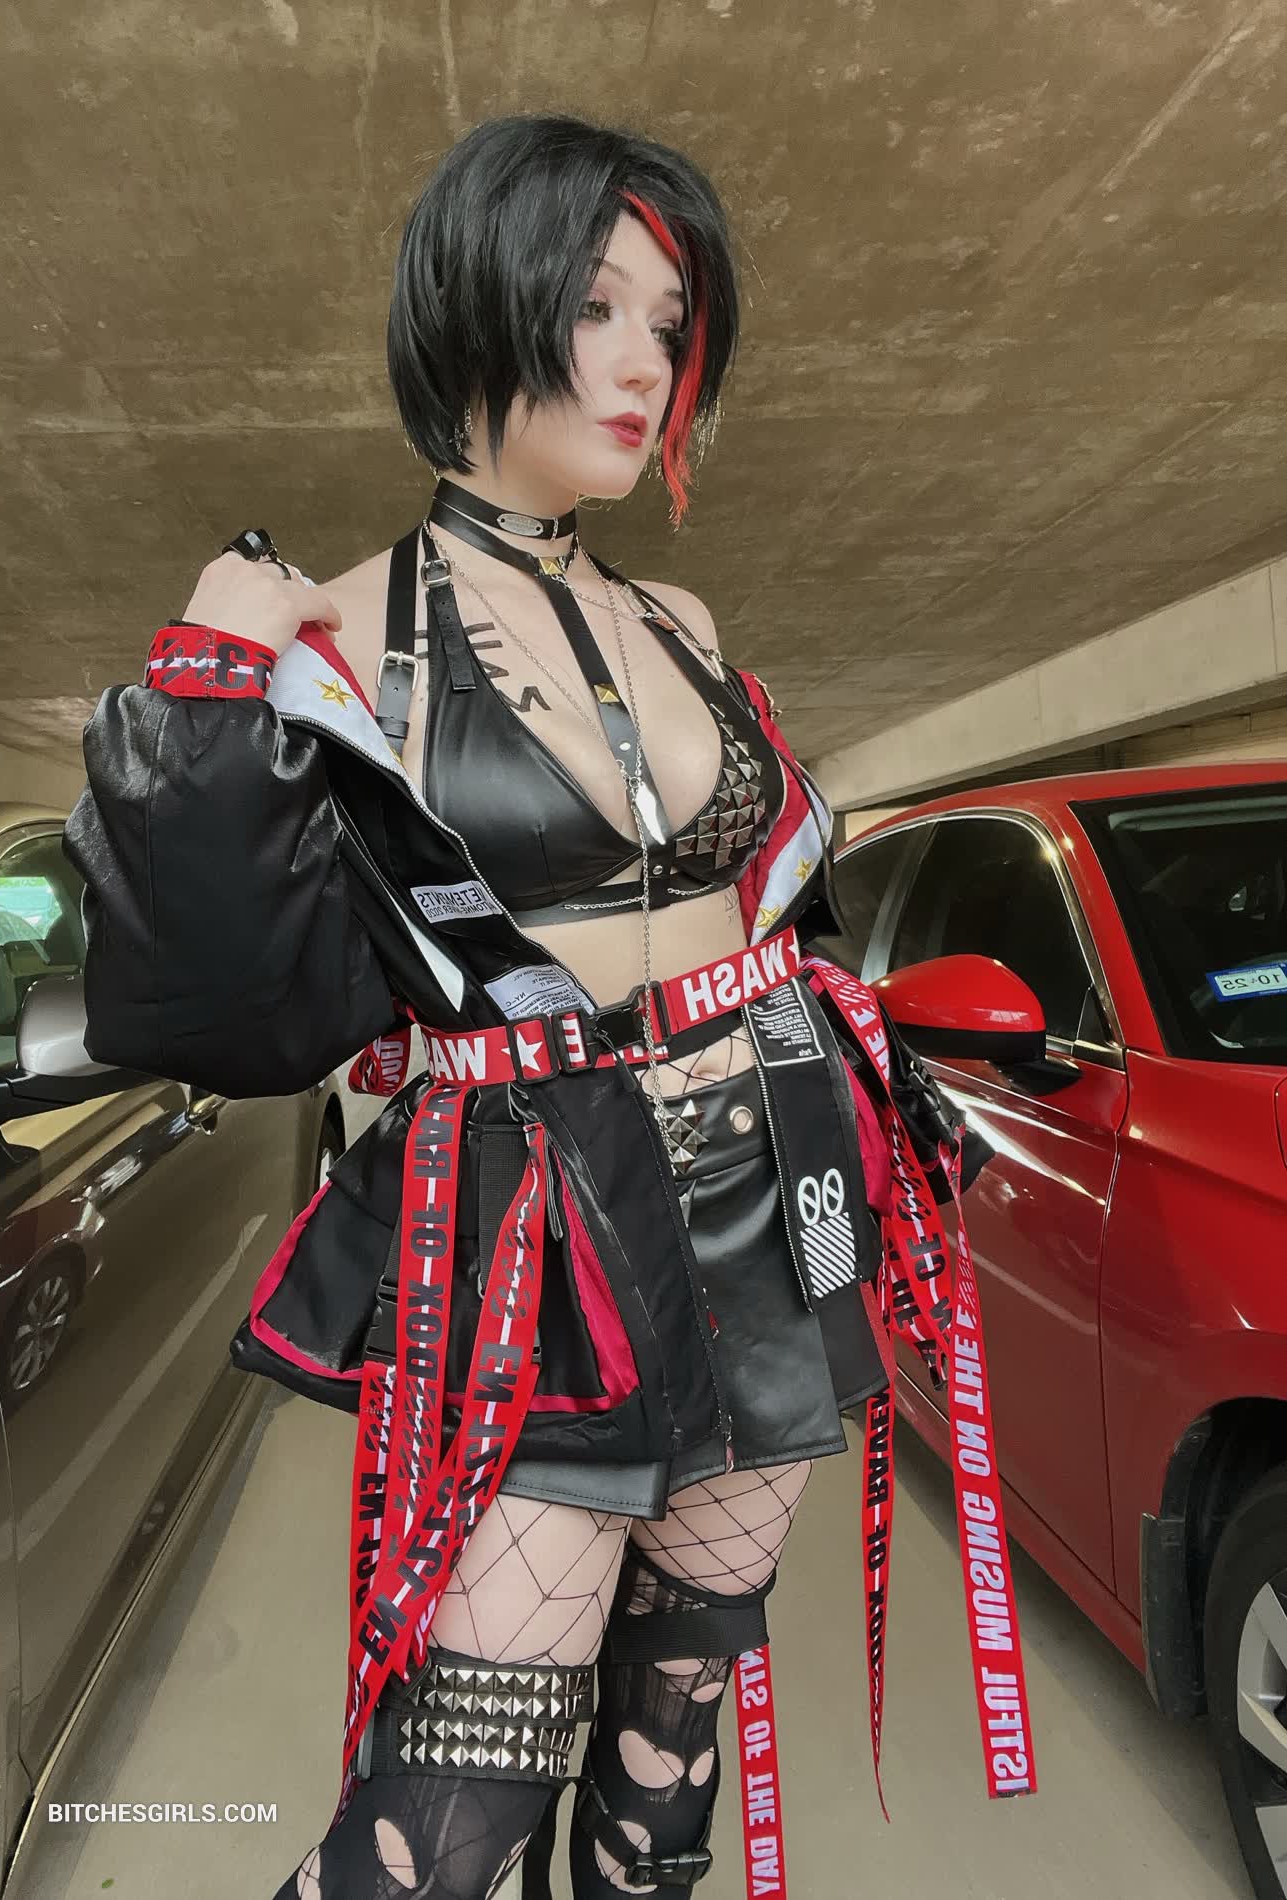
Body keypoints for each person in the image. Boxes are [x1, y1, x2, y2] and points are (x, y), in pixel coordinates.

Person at [64, 114, 1024, 1900]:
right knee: (451, 1813)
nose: (645, 362)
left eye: (669, 321)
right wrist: (207, 688)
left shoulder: (683, 618)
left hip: (778, 1190)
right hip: (545, 1227)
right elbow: (212, 1010)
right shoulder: (341, 636)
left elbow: (777, 903)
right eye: (595, 305)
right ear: (476, 300)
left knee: (670, 1750)